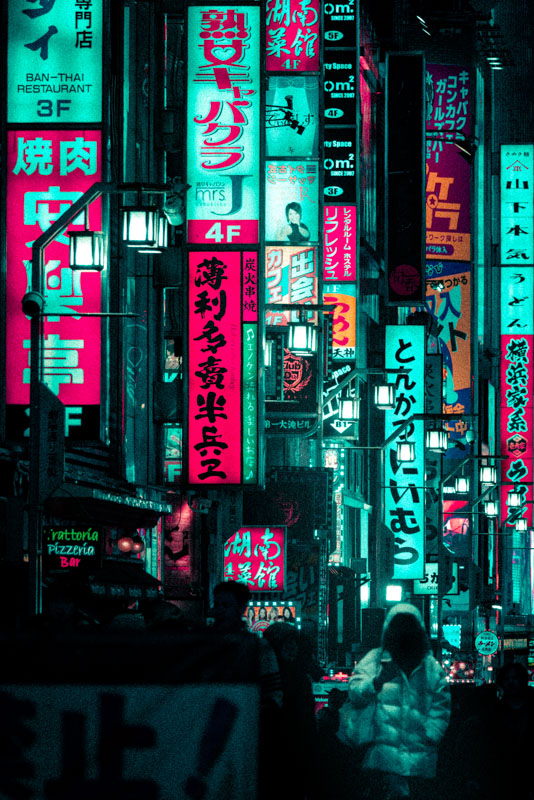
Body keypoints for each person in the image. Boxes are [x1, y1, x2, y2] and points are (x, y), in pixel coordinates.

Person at [347, 603, 451, 800]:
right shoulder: (375, 660)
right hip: (381, 757)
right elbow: (354, 693)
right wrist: (377, 682)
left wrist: (428, 735)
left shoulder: (430, 666)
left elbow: (441, 706)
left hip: (418, 759)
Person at [263, 622, 321, 799]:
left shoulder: (299, 677)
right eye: (286, 644)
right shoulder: (277, 679)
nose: (292, 648)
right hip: (278, 753)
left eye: (294, 643)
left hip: (293, 753)